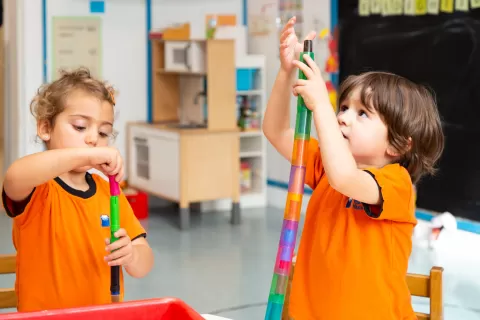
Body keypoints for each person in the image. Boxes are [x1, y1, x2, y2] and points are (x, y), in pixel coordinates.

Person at [263, 17, 444, 319]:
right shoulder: (325, 167)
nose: (344, 117)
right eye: (343, 108)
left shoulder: (396, 183)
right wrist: (285, 73)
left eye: (362, 114)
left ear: (398, 146)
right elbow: (277, 132)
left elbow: (345, 177)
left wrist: (322, 103)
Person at [2, 68, 154, 312]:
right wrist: (88, 154)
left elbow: (144, 260)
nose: (93, 138)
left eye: (103, 132)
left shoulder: (110, 192)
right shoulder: (39, 188)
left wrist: (133, 255)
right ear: (45, 128)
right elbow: (13, 178)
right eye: (80, 127)